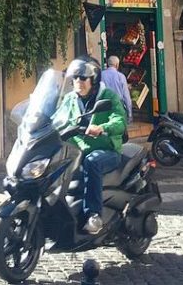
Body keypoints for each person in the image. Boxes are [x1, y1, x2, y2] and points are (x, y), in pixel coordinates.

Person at [53, 56, 127, 235]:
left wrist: (102, 128)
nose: (78, 81)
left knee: (92, 161)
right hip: (77, 150)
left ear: (93, 80)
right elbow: (56, 118)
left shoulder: (108, 97)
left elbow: (120, 120)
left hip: (106, 149)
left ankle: (93, 215)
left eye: (83, 78)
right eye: (75, 78)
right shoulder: (70, 98)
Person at [101, 56, 133, 123]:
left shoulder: (101, 75)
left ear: (108, 64)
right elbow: (126, 97)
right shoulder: (121, 76)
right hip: (118, 107)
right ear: (117, 65)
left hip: (104, 107)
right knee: (119, 127)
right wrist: (129, 114)